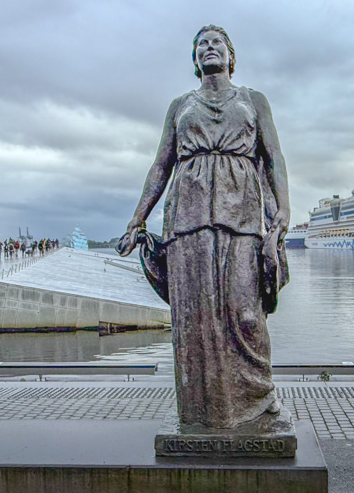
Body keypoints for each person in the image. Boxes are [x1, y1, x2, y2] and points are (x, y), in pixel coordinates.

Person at [117, 25, 290, 430]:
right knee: (195, 315)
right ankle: (201, 412)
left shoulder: (253, 100)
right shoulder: (180, 105)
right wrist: (138, 215)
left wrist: (282, 209)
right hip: (188, 216)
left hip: (243, 212)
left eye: (217, 43)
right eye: (201, 45)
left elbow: (274, 156)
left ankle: (259, 398)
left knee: (246, 312)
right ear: (195, 61)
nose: (209, 48)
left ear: (231, 57)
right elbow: (161, 165)